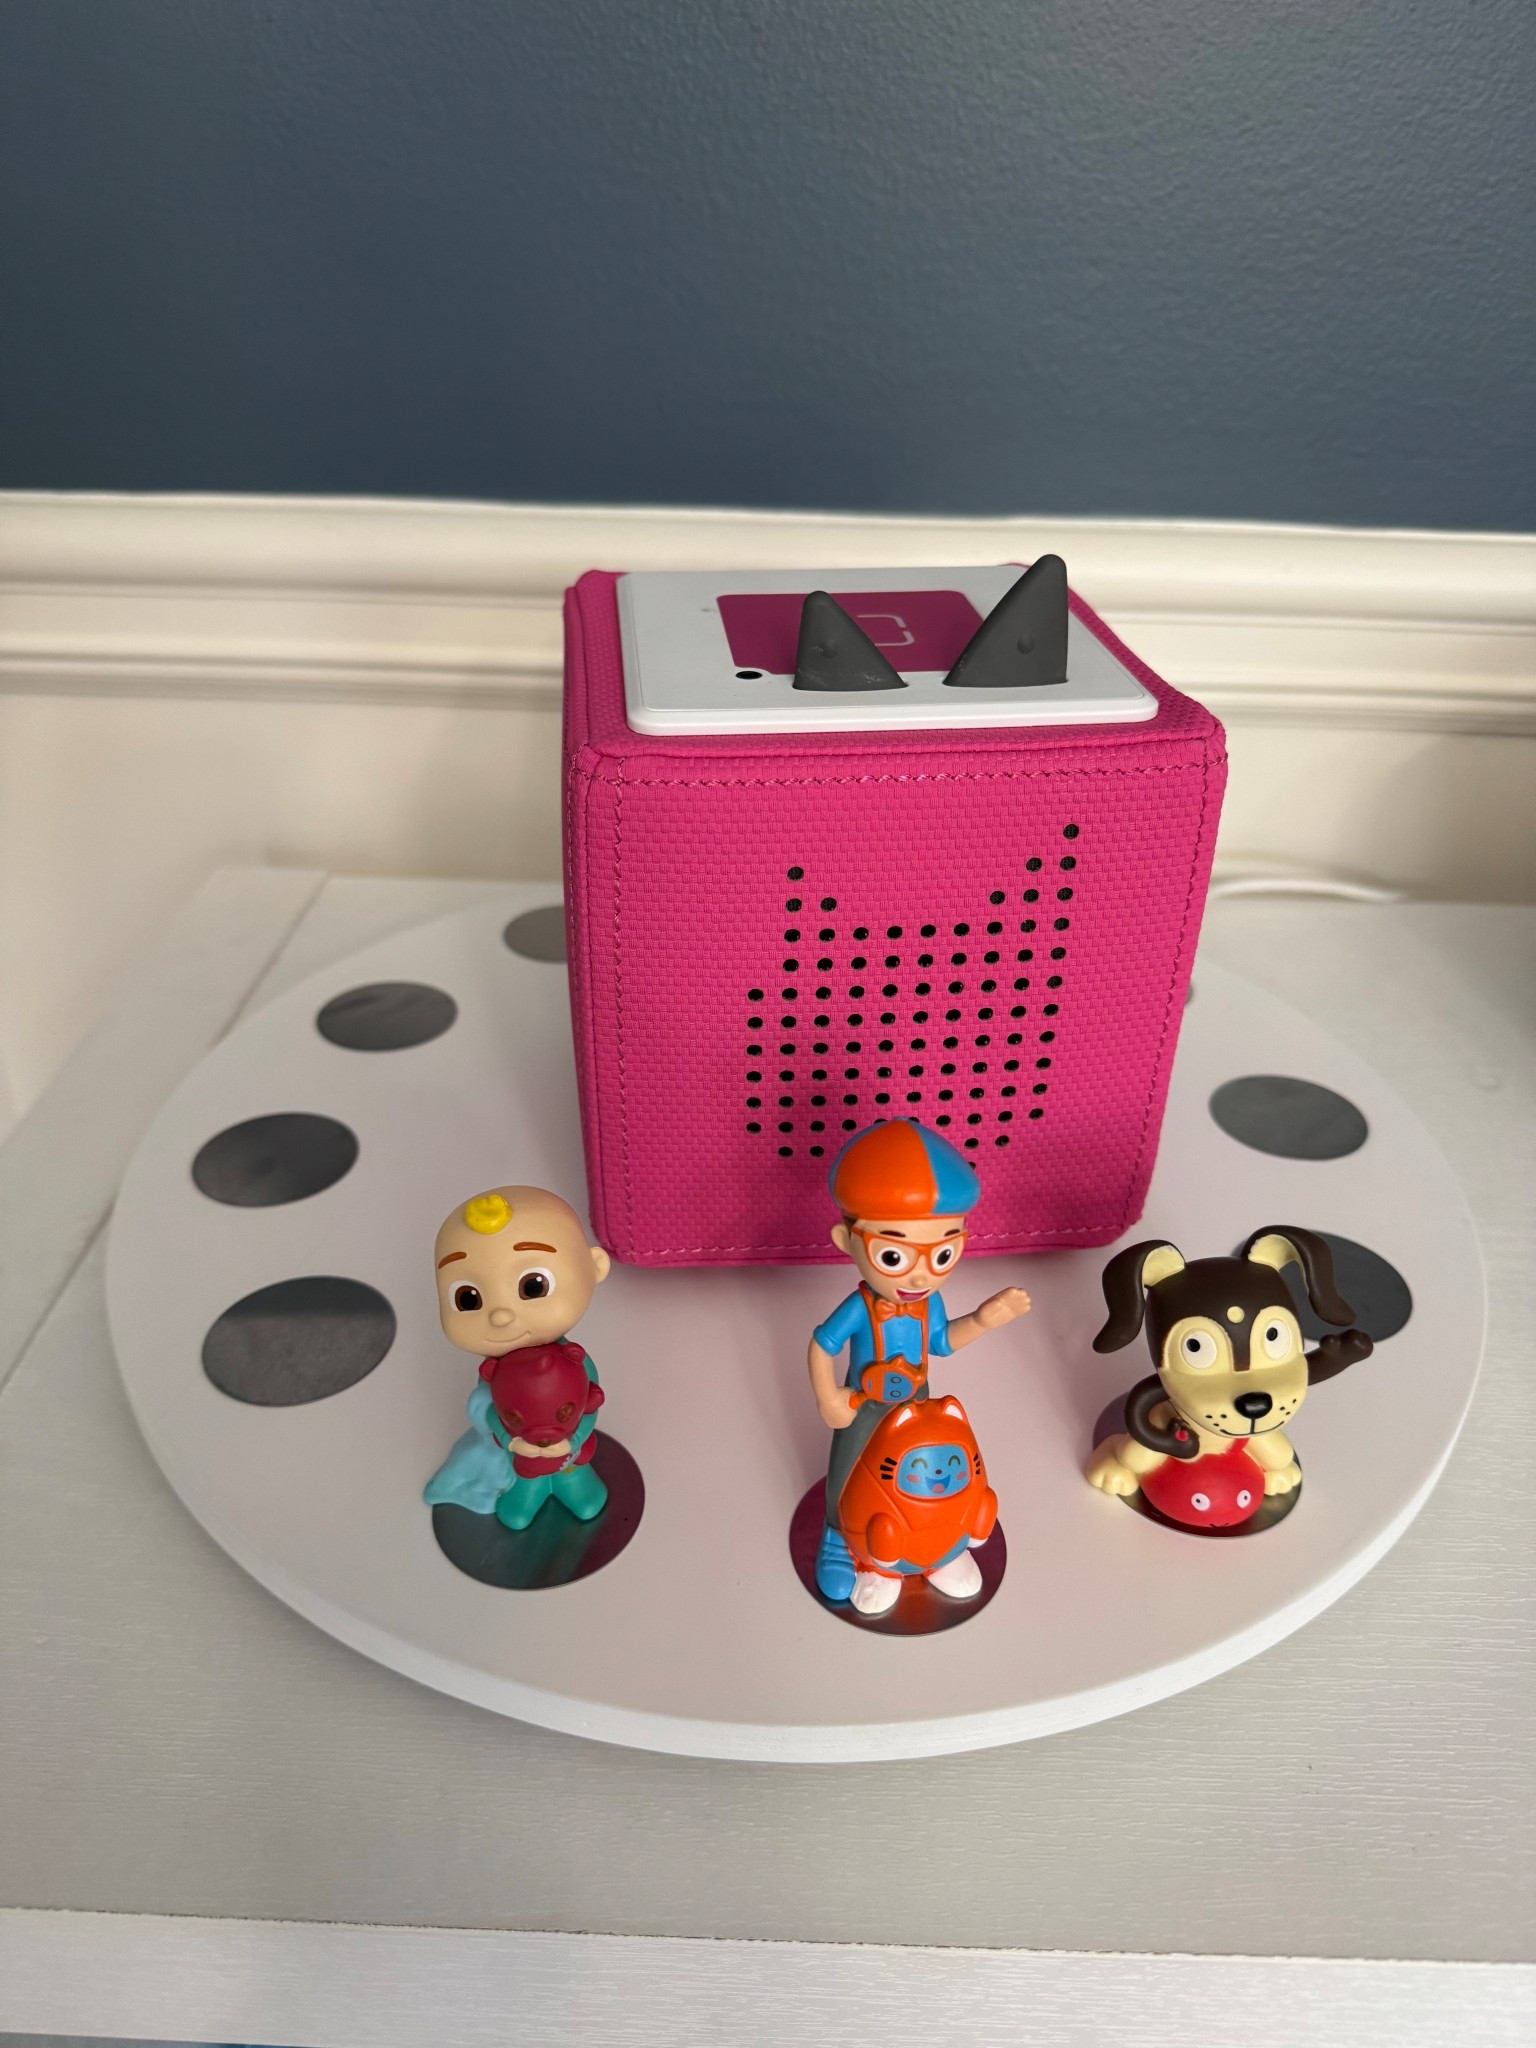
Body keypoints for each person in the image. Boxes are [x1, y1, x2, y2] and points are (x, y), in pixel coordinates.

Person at [807, 1120, 1030, 1612]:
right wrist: (828, 1397)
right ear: (847, 1241)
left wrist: (983, 1319)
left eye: (945, 1252)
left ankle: (938, 1547)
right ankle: (838, 1535)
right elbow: (822, 1345)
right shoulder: (859, 1307)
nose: (922, 1272)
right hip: (866, 1408)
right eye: (894, 1255)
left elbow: (945, 1341)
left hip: (921, 1404)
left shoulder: (928, 1301)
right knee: (846, 1470)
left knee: (934, 1473)